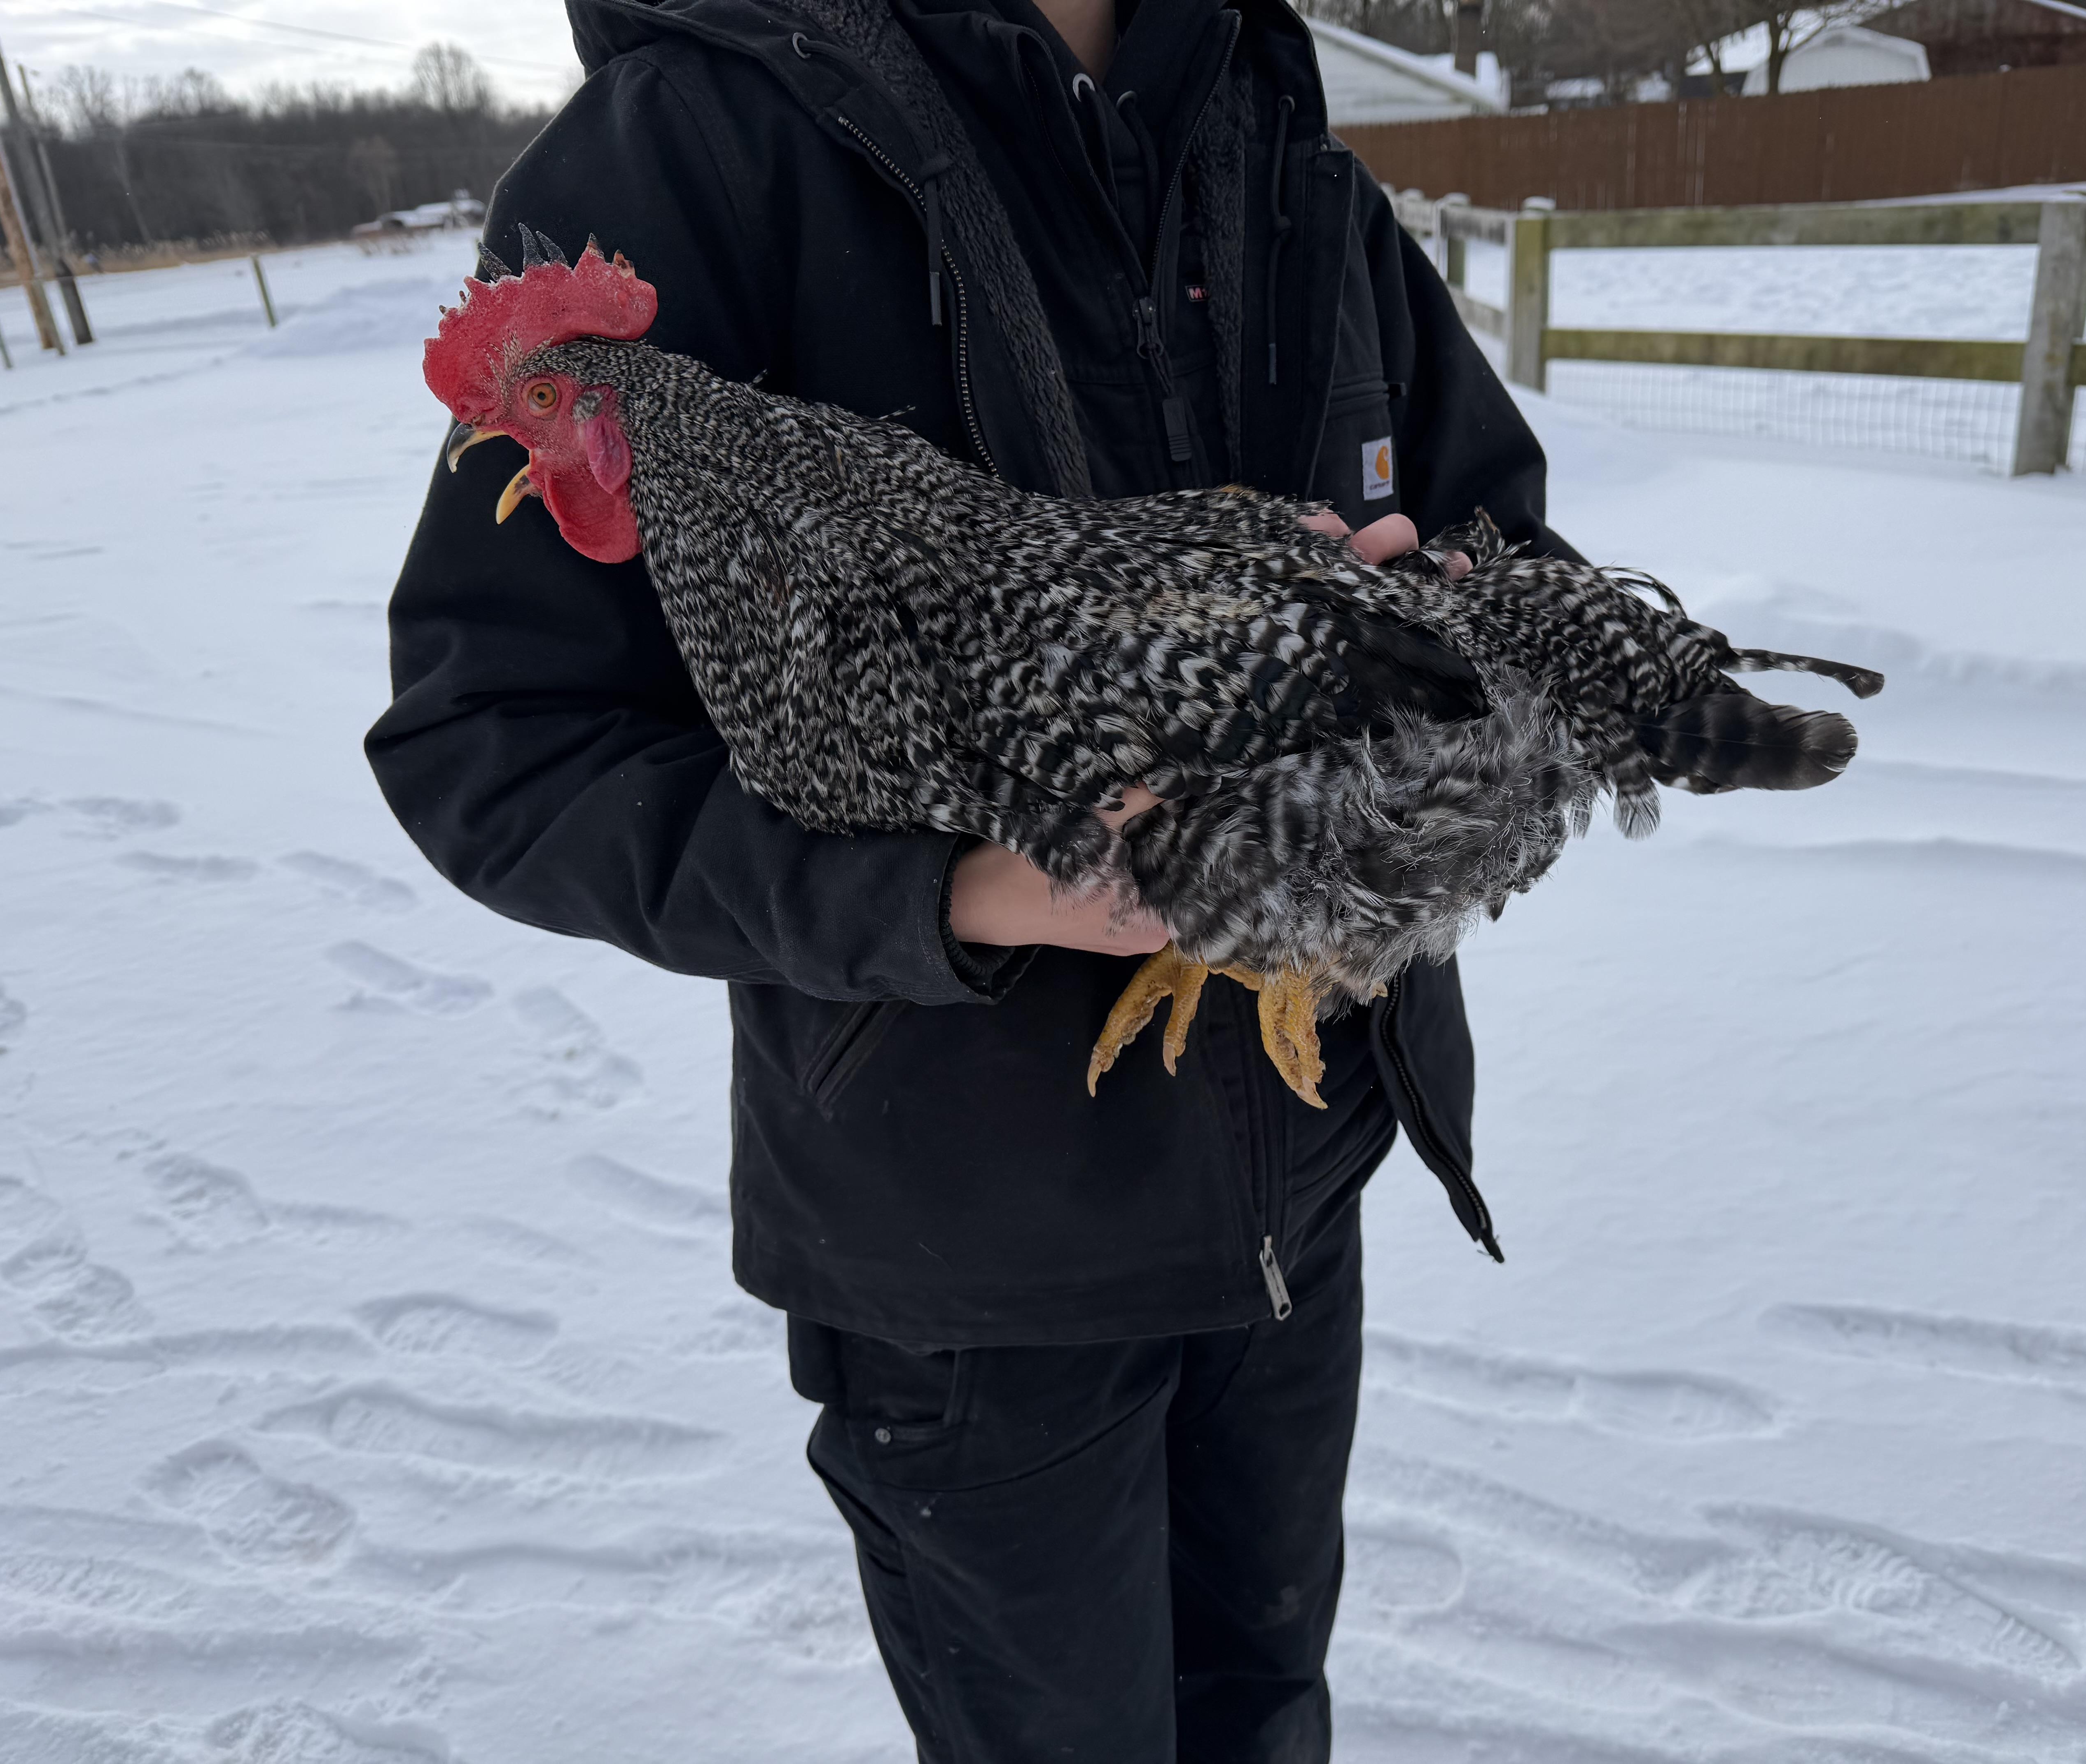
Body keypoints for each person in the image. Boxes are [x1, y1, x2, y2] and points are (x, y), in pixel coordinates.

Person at [368, 0, 1579, 1753]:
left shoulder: (1265, 125)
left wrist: (1432, 630)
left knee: (1264, 1712)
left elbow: (1493, 527)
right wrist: (949, 893)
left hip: (1297, 1183)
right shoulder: (694, 148)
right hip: (973, 1253)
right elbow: (496, 744)